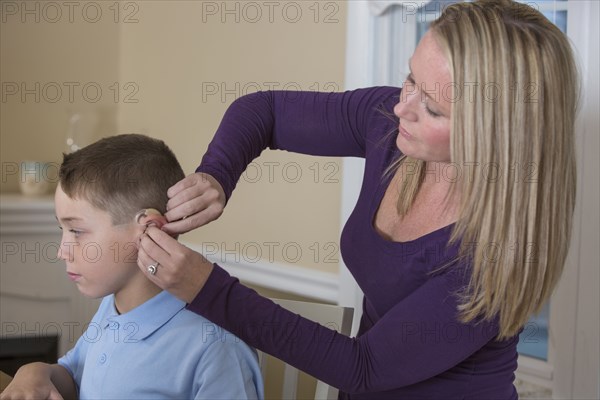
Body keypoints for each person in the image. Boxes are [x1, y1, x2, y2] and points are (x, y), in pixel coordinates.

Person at [136, 0, 579, 398]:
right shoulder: (390, 124)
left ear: (496, 134)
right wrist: (217, 174)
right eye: (411, 79)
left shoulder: (495, 254)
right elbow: (264, 112)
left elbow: (362, 366)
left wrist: (203, 287)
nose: (403, 106)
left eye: (434, 108)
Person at [0, 134, 264, 400]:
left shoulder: (216, 345)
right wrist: (33, 373)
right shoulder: (113, 309)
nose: (61, 251)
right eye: (62, 229)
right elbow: (73, 376)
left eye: (77, 231)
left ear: (148, 228)